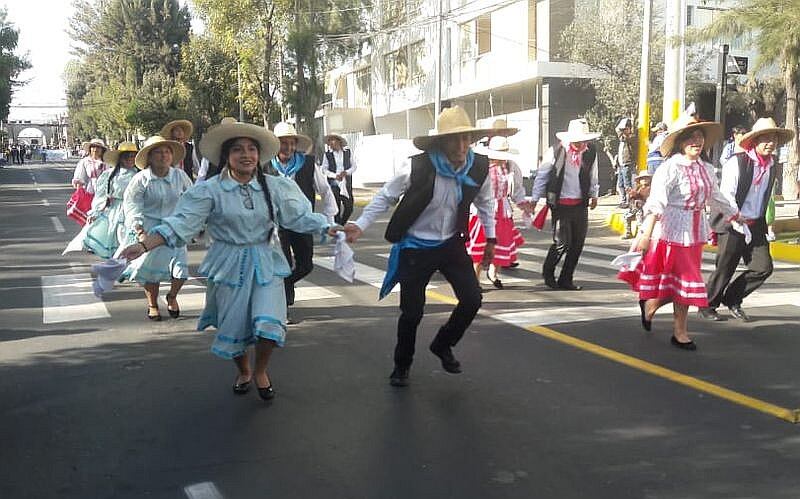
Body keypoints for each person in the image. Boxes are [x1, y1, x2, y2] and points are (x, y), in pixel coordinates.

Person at [120, 118, 333, 400]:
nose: (246, 155)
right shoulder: (209, 191)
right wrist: (144, 245)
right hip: (227, 262)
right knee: (235, 326)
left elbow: (300, 217)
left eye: (251, 149)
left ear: (259, 155)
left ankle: (261, 370)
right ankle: (244, 369)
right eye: (238, 150)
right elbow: (181, 223)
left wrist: (330, 227)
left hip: (266, 261)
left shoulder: (275, 187)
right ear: (226, 157)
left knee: (269, 325)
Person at [341, 106, 506, 387]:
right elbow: (385, 196)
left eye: (466, 139)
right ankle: (401, 365)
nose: (461, 146)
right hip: (416, 246)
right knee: (413, 312)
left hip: (451, 243)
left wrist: (490, 239)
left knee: (472, 299)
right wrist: (360, 224)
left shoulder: (478, 167)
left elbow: (485, 203)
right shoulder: (418, 166)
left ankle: (443, 344)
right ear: (441, 142)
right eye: (454, 140)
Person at [620, 114, 740, 350]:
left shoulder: (706, 168)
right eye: (691, 137)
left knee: (684, 282)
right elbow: (657, 202)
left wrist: (734, 214)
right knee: (682, 282)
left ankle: (663, 317)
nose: (696, 141)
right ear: (680, 142)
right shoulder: (670, 167)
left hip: (694, 232)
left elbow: (716, 196)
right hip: (670, 231)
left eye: (700, 137)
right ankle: (668, 321)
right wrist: (645, 235)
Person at [699, 118, 794, 322]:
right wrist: (735, 218)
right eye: (766, 138)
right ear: (755, 141)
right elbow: (726, 194)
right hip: (732, 220)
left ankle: (733, 298)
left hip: (756, 223)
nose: (771, 143)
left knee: (763, 268)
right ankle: (708, 304)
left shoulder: (772, 165)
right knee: (726, 266)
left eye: (774, 138)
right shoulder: (737, 162)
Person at [121, 136, 193, 321]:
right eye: (159, 152)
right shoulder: (141, 179)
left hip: (175, 229)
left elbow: (192, 199)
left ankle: (172, 296)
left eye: (167, 151)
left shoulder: (180, 176)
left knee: (181, 272)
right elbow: (132, 205)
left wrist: (191, 223)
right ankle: (153, 304)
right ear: (150, 157)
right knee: (151, 271)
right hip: (150, 229)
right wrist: (139, 229)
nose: (164, 156)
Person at [268, 122, 338, 309]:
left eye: (292, 143)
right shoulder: (266, 165)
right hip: (277, 225)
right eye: (284, 143)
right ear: (275, 144)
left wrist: (329, 220)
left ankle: (286, 284)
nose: (289, 147)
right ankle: (283, 305)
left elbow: (325, 191)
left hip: (303, 222)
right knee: (281, 265)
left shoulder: (307, 164)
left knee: (306, 265)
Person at [530, 118, 601, 291]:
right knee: (562, 242)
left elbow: (593, 174)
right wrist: (535, 198)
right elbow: (543, 175)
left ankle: (566, 279)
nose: (580, 144)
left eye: (583, 140)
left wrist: (594, 194)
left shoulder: (590, 151)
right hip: (560, 203)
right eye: (577, 141)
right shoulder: (556, 151)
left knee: (577, 244)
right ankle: (548, 273)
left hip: (580, 203)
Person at [466, 135, 528, 288]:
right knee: (482, 245)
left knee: (502, 242)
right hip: (485, 209)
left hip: (502, 210)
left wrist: (523, 204)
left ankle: (493, 273)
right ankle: (475, 280)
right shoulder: (482, 167)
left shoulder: (511, 167)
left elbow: (517, 189)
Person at [82, 142, 140, 258]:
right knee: (119, 238)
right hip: (116, 212)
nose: (130, 159)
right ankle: (119, 266)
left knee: (132, 239)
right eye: (126, 156)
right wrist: (96, 211)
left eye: (133, 156)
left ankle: (127, 266)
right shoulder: (109, 175)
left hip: (135, 210)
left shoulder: (141, 174)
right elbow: (101, 195)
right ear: (120, 158)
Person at [321, 133, 357, 225]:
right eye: (329, 141)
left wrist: (346, 172)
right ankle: (338, 226)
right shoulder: (327, 155)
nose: (331, 143)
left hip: (346, 182)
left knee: (349, 207)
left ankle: (341, 224)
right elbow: (324, 169)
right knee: (336, 207)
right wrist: (334, 175)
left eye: (332, 140)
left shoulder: (347, 152)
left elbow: (354, 166)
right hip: (334, 183)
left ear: (339, 141)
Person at [621, 172, 652, 240]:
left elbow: (644, 198)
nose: (644, 180)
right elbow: (632, 198)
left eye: (645, 178)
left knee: (639, 221)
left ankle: (641, 235)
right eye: (642, 178)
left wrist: (636, 195)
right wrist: (631, 194)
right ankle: (628, 233)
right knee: (626, 217)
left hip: (643, 209)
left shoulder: (650, 188)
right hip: (634, 208)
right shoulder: (638, 187)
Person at [615, 117, 635, 208]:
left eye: (626, 129)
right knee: (620, 184)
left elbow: (621, 135)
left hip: (627, 163)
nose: (623, 131)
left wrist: (620, 128)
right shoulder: (623, 139)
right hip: (621, 164)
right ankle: (623, 200)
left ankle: (628, 201)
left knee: (627, 184)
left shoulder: (630, 137)